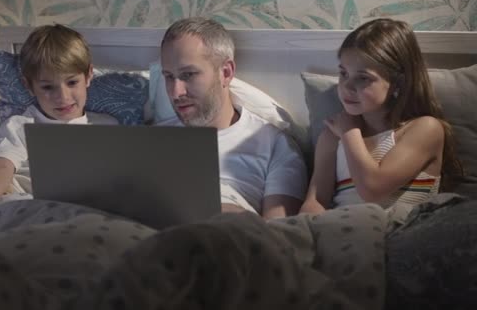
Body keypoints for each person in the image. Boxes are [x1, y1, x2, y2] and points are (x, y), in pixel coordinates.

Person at [299, 18, 461, 220]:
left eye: (363, 78)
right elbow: (316, 200)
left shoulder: (425, 129)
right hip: (343, 233)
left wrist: (349, 133)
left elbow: (372, 190)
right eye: (343, 73)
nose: (347, 86)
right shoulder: (331, 136)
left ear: (397, 83)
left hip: (401, 233)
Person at [158, 17, 307, 219]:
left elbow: (277, 236)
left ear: (226, 72)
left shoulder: (274, 145)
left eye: (188, 74)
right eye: (168, 76)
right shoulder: (152, 138)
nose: (176, 92)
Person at [0, 24, 117, 208]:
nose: (63, 97)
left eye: (72, 82)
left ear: (89, 76)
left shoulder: (109, 125)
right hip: (26, 200)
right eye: (48, 87)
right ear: (29, 85)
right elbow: (1, 166)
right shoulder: (20, 125)